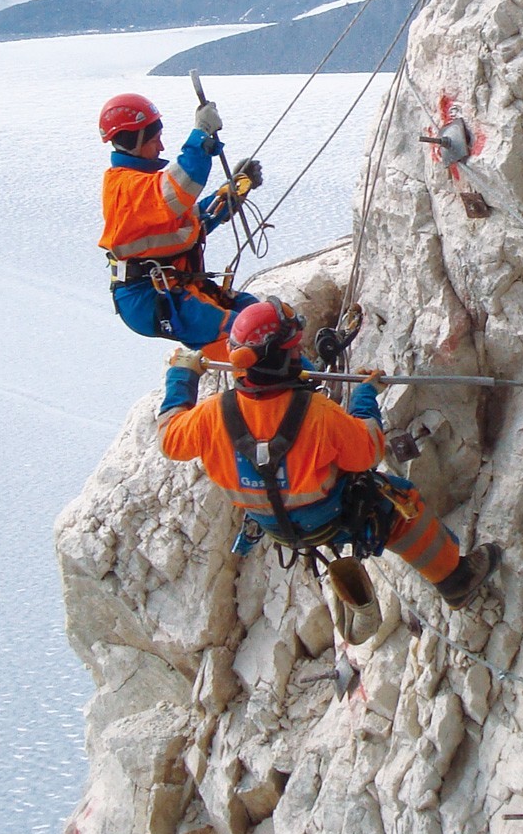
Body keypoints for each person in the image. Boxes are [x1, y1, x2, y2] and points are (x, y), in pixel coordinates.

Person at [157, 297, 500, 607]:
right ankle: (456, 580)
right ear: (279, 359)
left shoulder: (211, 415)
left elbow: (170, 438)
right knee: (401, 505)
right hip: (331, 516)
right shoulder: (317, 414)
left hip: (272, 522)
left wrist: (182, 374)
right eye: (293, 350)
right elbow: (368, 452)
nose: (297, 353)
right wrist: (367, 395)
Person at [98, 92, 261, 356]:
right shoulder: (126, 187)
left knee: (260, 315)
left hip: (167, 286)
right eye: (154, 140)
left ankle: (294, 375)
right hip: (149, 295)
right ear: (135, 142)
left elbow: (187, 222)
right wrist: (201, 135)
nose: (161, 148)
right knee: (250, 334)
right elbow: (180, 187)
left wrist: (230, 196)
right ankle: (283, 386)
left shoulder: (140, 187)